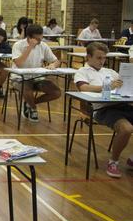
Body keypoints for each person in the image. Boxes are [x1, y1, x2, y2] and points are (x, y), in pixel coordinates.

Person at [74, 42, 133, 178]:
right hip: (103, 109)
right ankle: (113, 162)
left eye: (104, 58)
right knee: (126, 129)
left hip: (123, 104)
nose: (102, 61)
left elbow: (124, 84)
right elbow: (84, 88)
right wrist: (107, 86)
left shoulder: (110, 72)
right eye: (99, 58)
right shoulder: (82, 71)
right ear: (88, 57)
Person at [11, 24, 61, 122]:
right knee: (27, 89)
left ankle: (30, 103)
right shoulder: (18, 45)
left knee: (56, 92)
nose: (39, 41)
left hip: (37, 77)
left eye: (41, 38)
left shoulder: (43, 45)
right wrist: (30, 47)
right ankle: (33, 109)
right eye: (37, 39)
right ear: (29, 37)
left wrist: (53, 65)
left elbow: (56, 60)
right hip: (19, 78)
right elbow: (19, 63)